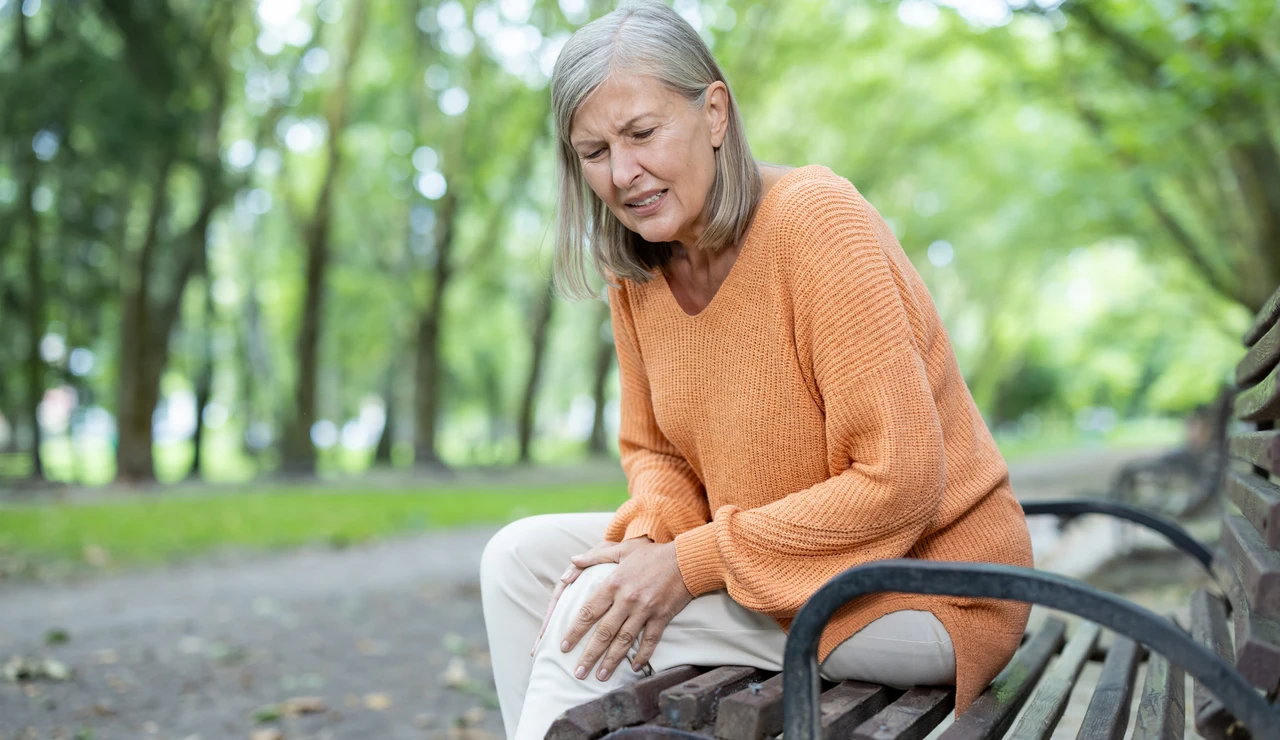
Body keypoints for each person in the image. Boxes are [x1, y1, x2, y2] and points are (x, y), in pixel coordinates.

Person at [480, 3, 1034, 739]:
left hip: (925, 587)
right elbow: (656, 454)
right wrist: (653, 545)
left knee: (591, 611)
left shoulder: (815, 222)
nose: (622, 173)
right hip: (784, 569)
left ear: (714, 113)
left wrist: (687, 564)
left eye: (642, 134)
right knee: (517, 560)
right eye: (593, 151)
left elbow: (900, 479)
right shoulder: (638, 272)